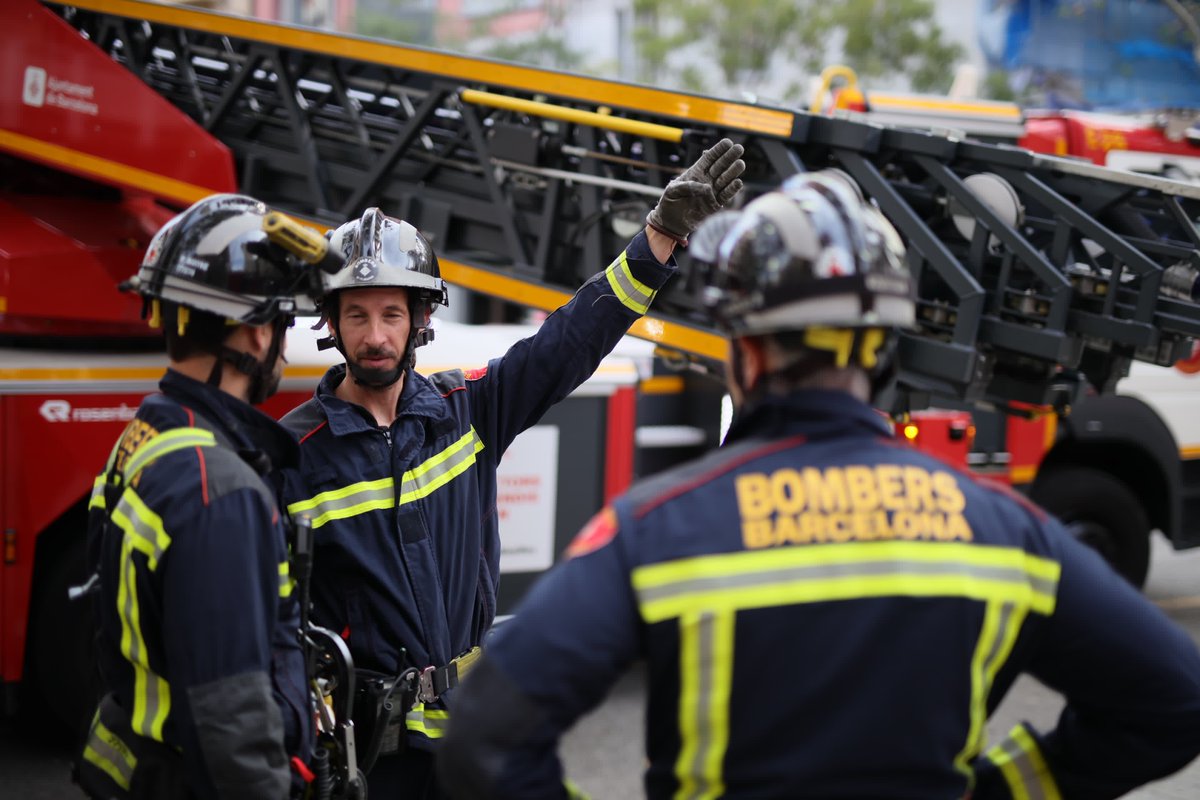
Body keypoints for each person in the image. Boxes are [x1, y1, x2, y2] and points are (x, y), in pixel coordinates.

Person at [436, 173, 1200, 799]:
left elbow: (485, 737)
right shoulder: (1005, 530)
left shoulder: (656, 530)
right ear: (884, 351)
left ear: (745, 356)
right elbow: (1176, 701)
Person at [280, 139, 746, 796]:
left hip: (471, 736)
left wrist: (659, 237)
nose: (375, 336)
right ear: (330, 322)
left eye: (391, 314)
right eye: (356, 315)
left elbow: (569, 341)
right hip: (368, 763)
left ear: (420, 320)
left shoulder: (468, 408)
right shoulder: (293, 455)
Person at [76, 194, 319, 800]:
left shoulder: (143, 439)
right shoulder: (221, 493)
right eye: (283, 324)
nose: (282, 345)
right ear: (257, 331)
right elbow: (231, 724)